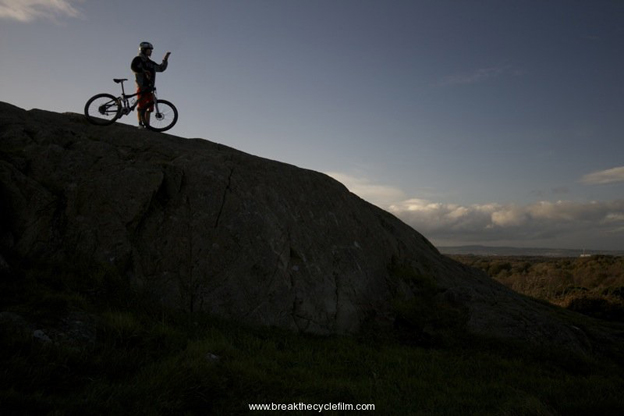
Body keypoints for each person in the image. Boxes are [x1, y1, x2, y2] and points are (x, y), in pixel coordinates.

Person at [131, 42, 171, 128]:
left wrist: (165, 59)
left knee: (150, 108)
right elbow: (133, 67)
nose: (151, 52)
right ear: (143, 50)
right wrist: (143, 71)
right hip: (142, 86)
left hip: (150, 88)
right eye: (149, 50)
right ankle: (140, 124)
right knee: (141, 107)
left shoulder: (151, 63)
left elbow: (161, 68)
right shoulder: (138, 59)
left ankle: (147, 125)